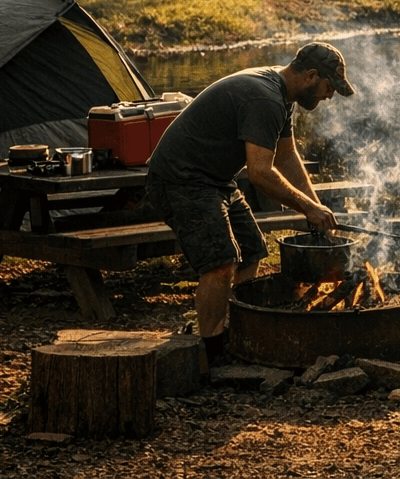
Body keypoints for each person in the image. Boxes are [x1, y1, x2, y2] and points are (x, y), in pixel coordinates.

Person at [144, 43, 350, 367]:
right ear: (311, 75)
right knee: (220, 262)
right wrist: (306, 208)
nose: (329, 96)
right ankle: (212, 354)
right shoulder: (264, 98)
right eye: (329, 87)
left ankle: (236, 333)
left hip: (215, 181)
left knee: (252, 250)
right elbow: (260, 173)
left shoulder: (282, 97)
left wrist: (315, 206)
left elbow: (286, 157)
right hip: (180, 179)